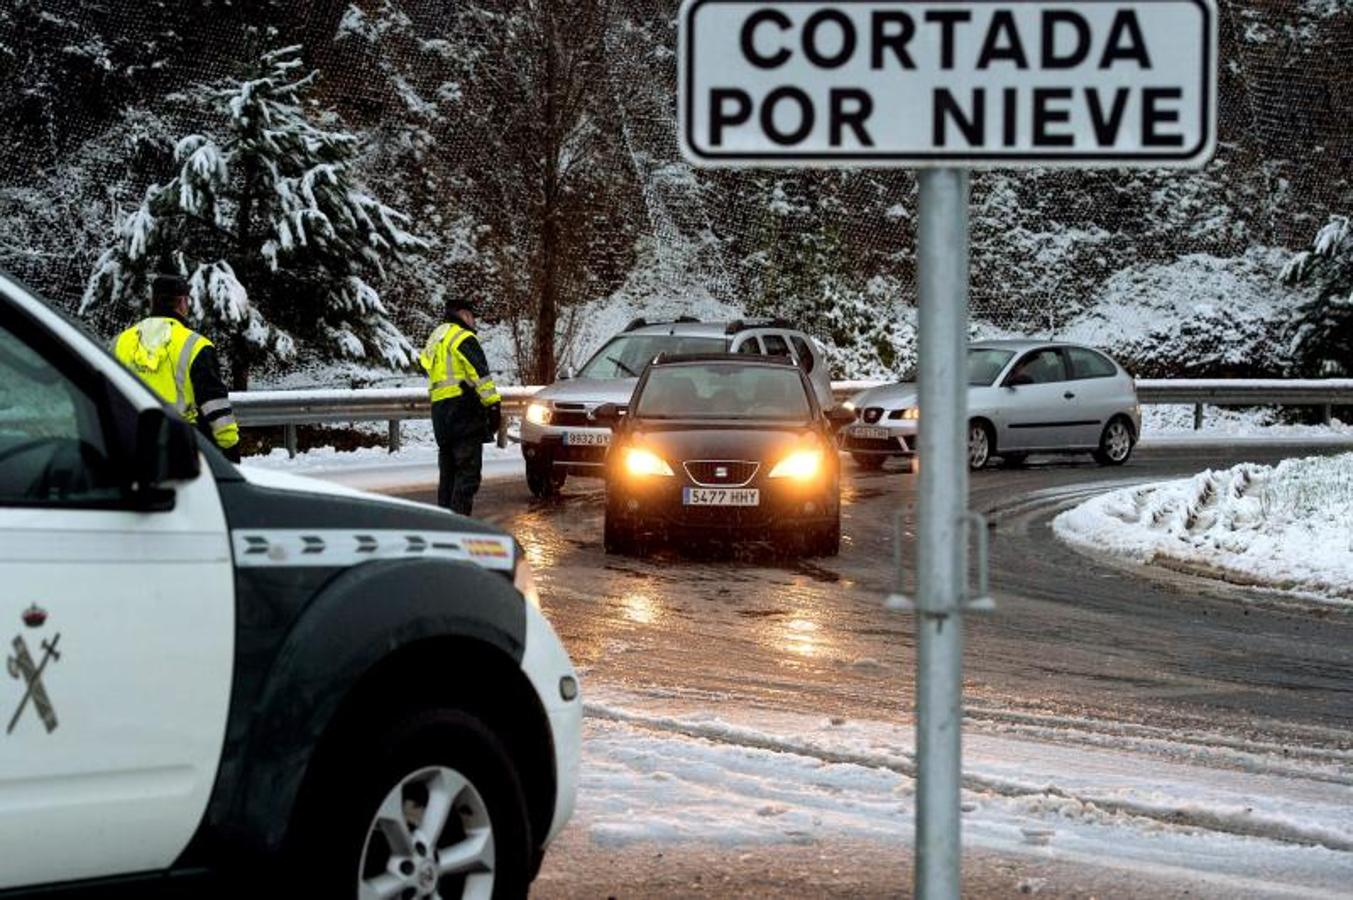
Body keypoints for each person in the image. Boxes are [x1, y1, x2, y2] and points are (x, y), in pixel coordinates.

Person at [112, 274, 241, 463]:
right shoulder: (195, 345)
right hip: (182, 447)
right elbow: (213, 403)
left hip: (131, 444)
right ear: (182, 302)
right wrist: (229, 445)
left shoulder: (120, 342)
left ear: (153, 302)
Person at [420, 298, 502, 515]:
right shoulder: (463, 337)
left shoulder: (436, 337)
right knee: (467, 475)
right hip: (464, 411)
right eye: (471, 316)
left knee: (448, 475)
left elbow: (425, 364)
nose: (473, 321)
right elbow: (480, 375)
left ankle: (445, 522)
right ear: (463, 314)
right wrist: (493, 405)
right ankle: (460, 526)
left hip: (440, 413)